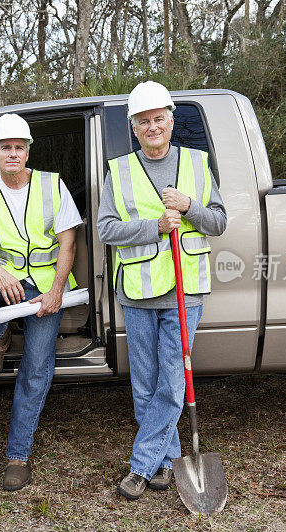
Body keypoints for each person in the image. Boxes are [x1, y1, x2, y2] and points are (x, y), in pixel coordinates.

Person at [97, 81, 227, 500]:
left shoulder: (196, 162)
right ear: (133, 127)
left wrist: (190, 208)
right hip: (138, 289)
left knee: (172, 380)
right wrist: (153, 227)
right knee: (146, 382)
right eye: (143, 122)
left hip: (186, 290)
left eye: (159, 119)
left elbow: (219, 222)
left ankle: (141, 466)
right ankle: (167, 460)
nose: (152, 127)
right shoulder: (118, 171)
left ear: (172, 121)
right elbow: (106, 230)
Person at [0, 113, 82, 491]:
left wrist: (56, 292)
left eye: (19, 147)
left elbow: (69, 243)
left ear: (27, 152)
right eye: (5, 148)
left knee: (35, 368)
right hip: (9, 281)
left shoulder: (52, 185)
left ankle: (18, 455)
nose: (13, 153)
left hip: (47, 288)